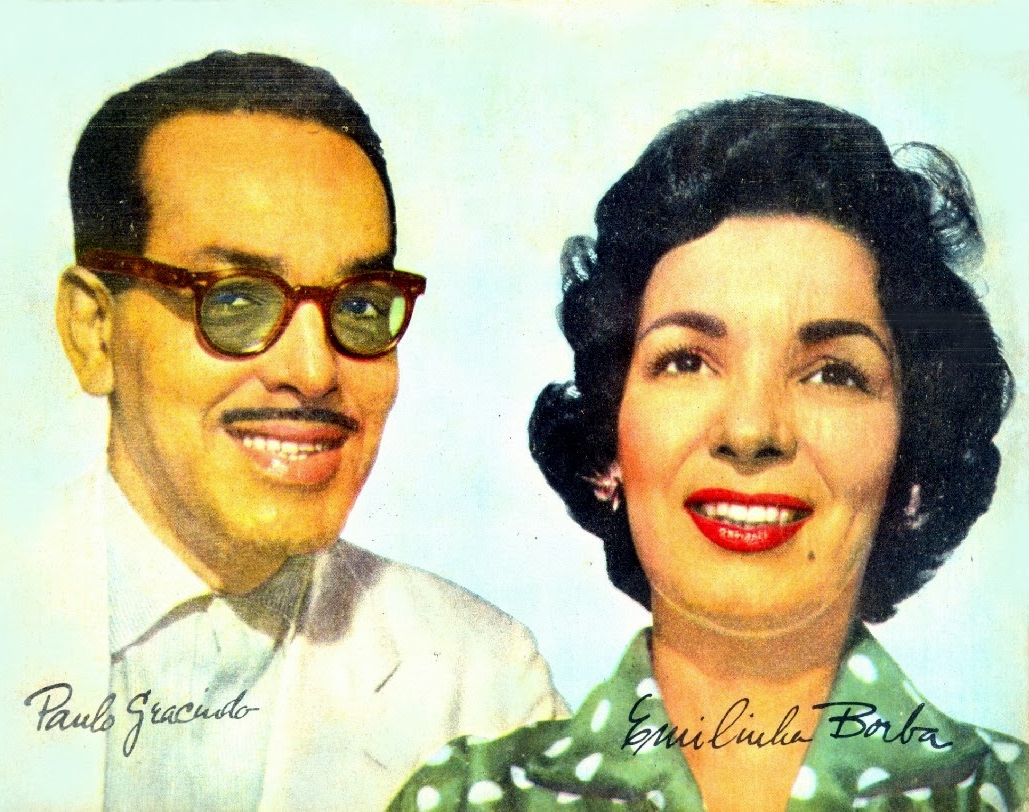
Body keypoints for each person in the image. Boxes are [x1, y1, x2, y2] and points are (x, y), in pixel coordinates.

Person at [0, 51, 565, 811]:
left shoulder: (481, 684)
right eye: (236, 300)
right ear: (94, 332)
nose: (313, 370)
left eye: (360, 306)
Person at [390, 95, 1026, 810]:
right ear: (609, 451)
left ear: (910, 468)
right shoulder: (466, 799)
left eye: (832, 373)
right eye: (686, 361)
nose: (750, 432)